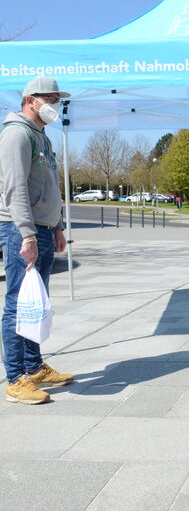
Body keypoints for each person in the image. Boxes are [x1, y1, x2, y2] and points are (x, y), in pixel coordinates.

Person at [0, 76, 74, 405]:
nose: (54, 105)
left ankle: (34, 367)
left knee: (35, 303)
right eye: (50, 99)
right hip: (21, 229)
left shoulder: (41, 136)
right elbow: (14, 188)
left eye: (56, 100)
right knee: (18, 304)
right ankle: (15, 377)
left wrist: (57, 225)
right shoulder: (16, 134)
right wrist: (27, 233)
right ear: (31, 100)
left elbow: (49, 184)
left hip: (43, 228)